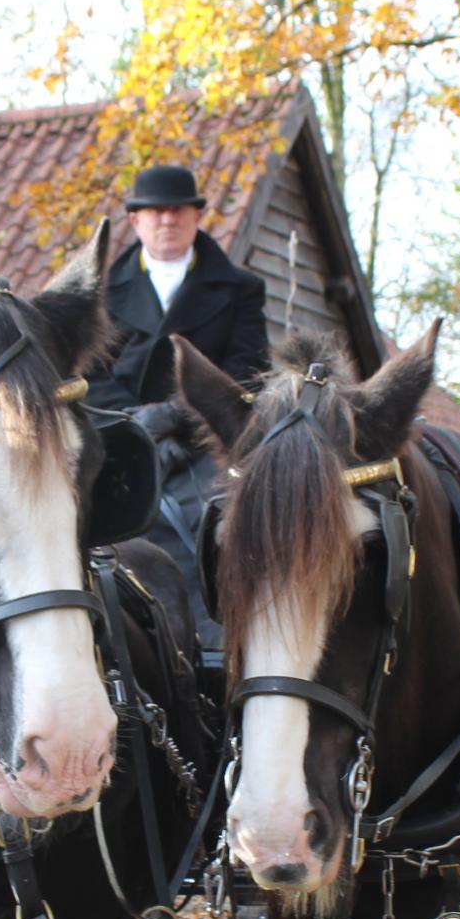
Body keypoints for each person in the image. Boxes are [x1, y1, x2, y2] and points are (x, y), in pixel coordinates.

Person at [87, 163, 271, 650]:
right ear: (136, 222)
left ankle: (220, 642)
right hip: (123, 439)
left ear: (195, 218)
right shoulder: (100, 293)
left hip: (204, 438)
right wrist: (138, 423)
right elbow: (88, 374)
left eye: (177, 211)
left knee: (224, 527)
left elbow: (248, 368)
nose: (166, 221)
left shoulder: (241, 290)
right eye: (155, 213)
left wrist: (176, 416)